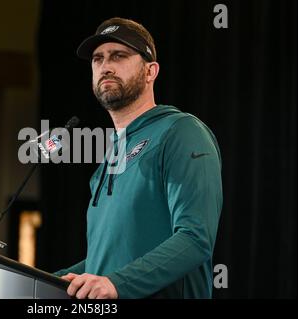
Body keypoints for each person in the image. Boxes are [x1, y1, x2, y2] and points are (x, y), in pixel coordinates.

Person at [53, 17, 223, 299]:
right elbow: (113, 259)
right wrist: (53, 281)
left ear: (150, 71)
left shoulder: (181, 132)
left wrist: (117, 283)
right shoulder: (105, 163)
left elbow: (195, 238)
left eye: (118, 56)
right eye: (97, 59)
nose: (105, 66)